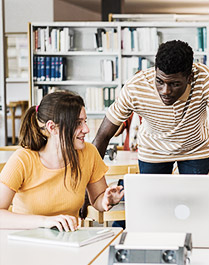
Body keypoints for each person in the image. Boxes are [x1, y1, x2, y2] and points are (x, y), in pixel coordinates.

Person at [93, 40, 209, 174]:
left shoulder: (203, 77)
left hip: (195, 148)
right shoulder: (136, 86)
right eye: (159, 81)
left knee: (198, 196)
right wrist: (89, 183)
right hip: (153, 150)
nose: (165, 91)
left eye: (175, 84)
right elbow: (103, 135)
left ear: (189, 78)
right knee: (152, 196)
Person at [0, 91, 123, 231]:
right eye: (78, 123)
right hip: (27, 240)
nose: (86, 129)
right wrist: (45, 221)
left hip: (69, 241)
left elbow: (97, 200)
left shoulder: (89, 153)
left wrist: (107, 200)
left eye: (85, 121)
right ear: (52, 128)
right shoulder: (22, 160)